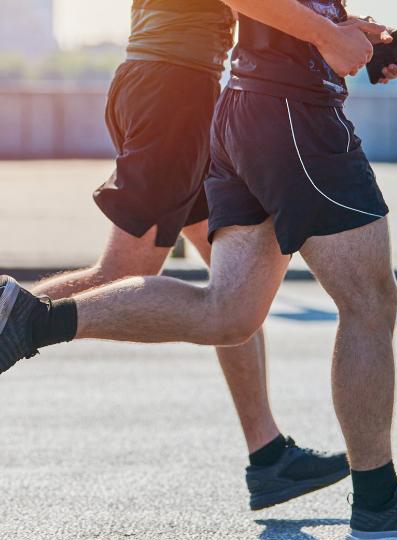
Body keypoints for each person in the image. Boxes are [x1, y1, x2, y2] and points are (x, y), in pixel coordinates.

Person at [1, 0, 397, 540]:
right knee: (367, 300)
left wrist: (347, 33)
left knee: (228, 312)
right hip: (235, 100)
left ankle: (268, 454)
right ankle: (375, 501)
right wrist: (329, 37)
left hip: (228, 99)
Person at [1, 0, 352, 513]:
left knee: (235, 282)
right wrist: (327, 35)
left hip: (175, 84)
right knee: (124, 272)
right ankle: (8, 314)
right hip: (174, 89)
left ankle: (268, 453)